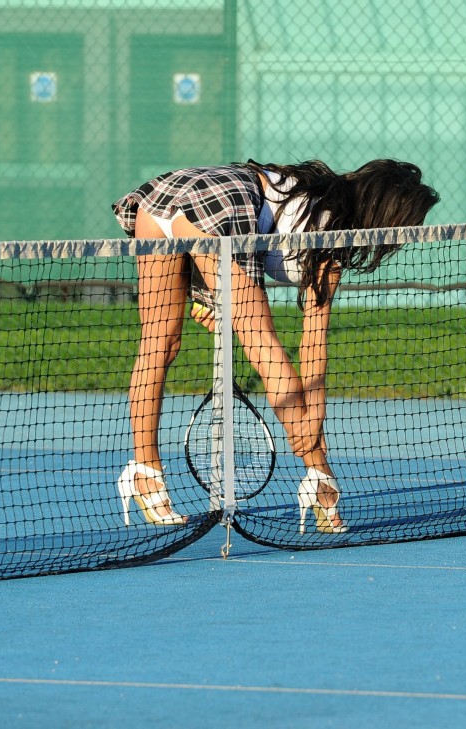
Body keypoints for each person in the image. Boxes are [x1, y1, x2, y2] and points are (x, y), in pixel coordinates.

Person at [112, 159, 440, 531]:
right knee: (262, 342)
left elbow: (306, 340)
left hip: (163, 196)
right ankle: (320, 479)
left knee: (159, 343)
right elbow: (310, 341)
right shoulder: (328, 232)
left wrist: (212, 301)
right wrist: (311, 425)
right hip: (222, 199)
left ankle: (144, 472)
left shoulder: (315, 207)